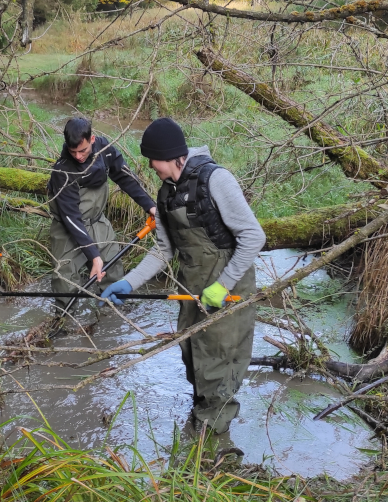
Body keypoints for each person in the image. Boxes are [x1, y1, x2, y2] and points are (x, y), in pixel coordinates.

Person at [101, 117, 266, 435]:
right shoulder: (165, 195)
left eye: (153, 160)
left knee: (218, 360)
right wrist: (128, 282)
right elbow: (164, 250)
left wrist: (223, 285)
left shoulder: (216, 180)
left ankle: (212, 445)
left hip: (228, 288)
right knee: (193, 356)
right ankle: (202, 418)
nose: (151, 166)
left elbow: (253, 237)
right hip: (193, 286)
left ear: (170, 156)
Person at [48, 118, 157, 313]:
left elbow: (124, 176)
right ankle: (64, 318)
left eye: (83, 151)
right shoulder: (62, 170)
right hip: (68, 227)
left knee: (112, 267)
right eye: (73, 152)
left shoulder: (104, 149)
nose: (79, 156)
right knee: (65, 279)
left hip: (97, 221)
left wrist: (150, 206)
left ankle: (112, 310)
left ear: (92, 139)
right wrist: (94, 256)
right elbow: (71, 218)